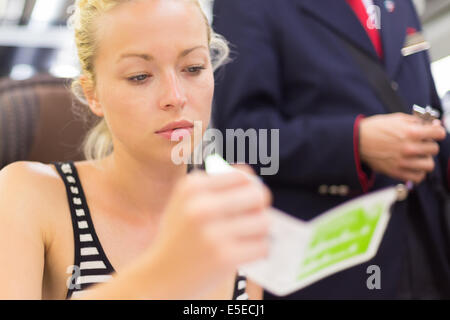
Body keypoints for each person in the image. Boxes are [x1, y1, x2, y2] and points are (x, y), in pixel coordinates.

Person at [0, 0, 272, 300]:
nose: (175, 97)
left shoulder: (232, 208)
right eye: (139, 76)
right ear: (93, 95)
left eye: (193, 68)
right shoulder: (29, 194)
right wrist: (163, 270)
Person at [212, 0, 450, 299]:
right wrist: (355, 143)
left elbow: (428, 105)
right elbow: (239, 139)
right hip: (331, 267)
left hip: (430, 245)